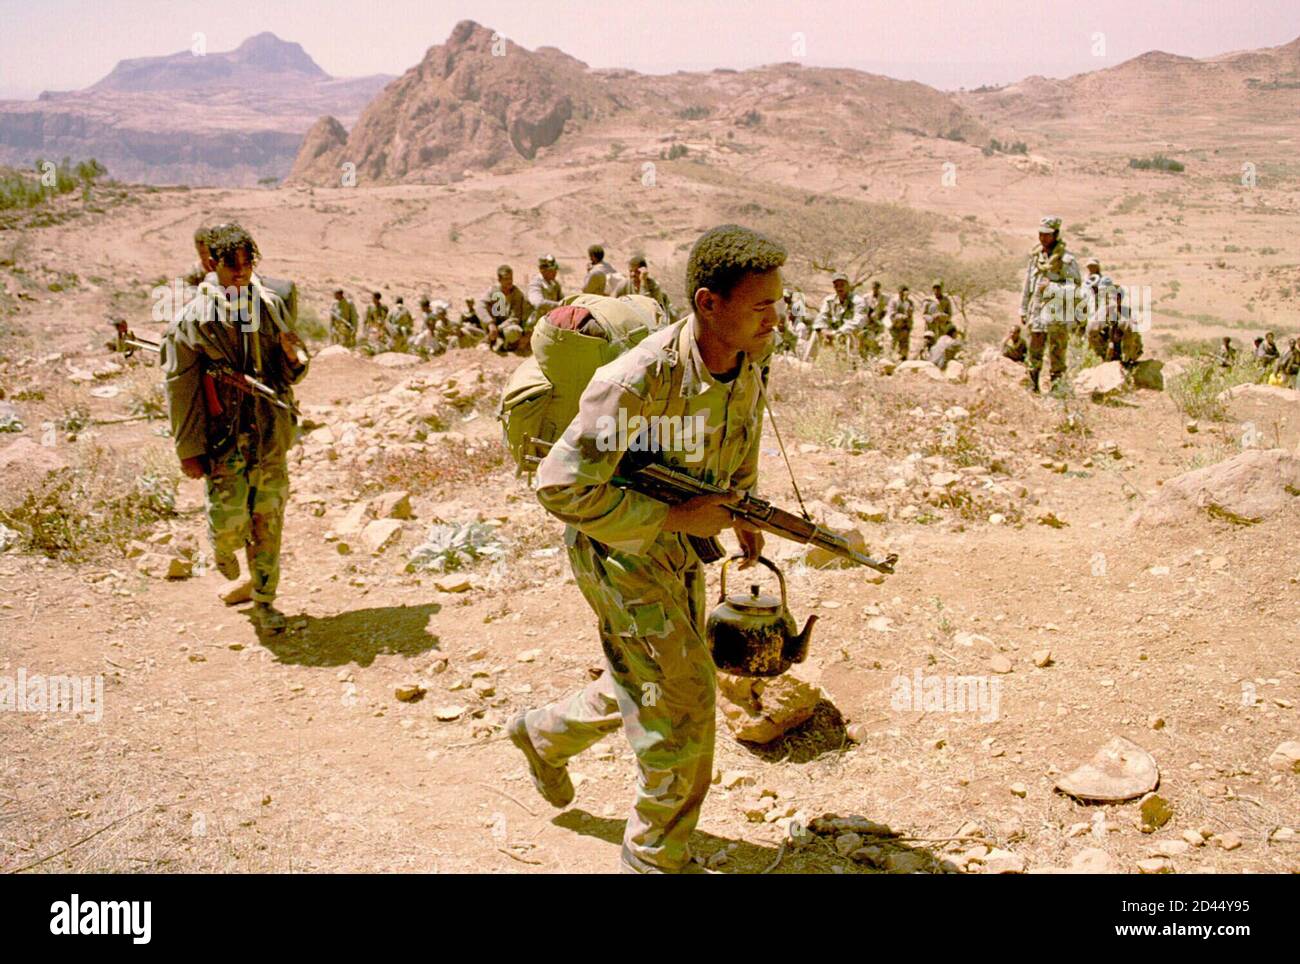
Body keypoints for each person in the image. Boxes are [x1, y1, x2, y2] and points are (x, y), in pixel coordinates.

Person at [510, 223, 783, 874]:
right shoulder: (637, 378)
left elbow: (738, 430)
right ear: (708, 304)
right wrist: (673, 519)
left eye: (779, 302)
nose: (775, 318)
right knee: (684, 704)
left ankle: (543, 733)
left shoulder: (746, 356)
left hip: (679, 544)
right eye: (761, 305)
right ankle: (654, 859)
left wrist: (743, 505)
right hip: (618, 548)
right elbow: (558, 487)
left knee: (648, 680)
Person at [161, 223, 308, 632]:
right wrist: (188, 449)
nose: (241, 272)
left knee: (268, 521)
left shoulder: (272, 305)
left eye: (248, 263)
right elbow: (181, 388)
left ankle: (265, 601)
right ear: (212, 263)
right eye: (231, 264)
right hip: (224, 436)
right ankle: (224, 549)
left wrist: (294, 358)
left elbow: (289, 373)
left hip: (268, 432)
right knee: (229, 524)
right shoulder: (193, 320)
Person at [1019, 215, 1081, 392]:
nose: (1043, 238)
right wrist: (1023, 309)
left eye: (1047, 235)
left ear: (1056, 235)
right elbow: (1027, 286)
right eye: (1040, 234)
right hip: (1037, 312)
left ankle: (1057, 391)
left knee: (1057, 353)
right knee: (1034, 350)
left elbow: (1075, 287)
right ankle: (1033, 388)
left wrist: (1052, 287)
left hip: (1057, 312)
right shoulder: (1036, 258)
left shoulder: (1066, 260)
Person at [477, 265, 530, 354]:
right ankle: (489, 340)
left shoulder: (517, 294)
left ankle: (504, 344)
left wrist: (497, 329)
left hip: (507, 326)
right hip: (492, 324)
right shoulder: (493, 290)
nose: (509, 281)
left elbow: (515, 318)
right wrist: (490, 323)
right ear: (499, 280)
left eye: (510, 278)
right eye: (506, 279)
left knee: (514, 331)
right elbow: (480, 306)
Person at [614, 255, 677, 322]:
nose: (633, 274)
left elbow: (648, 307)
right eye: (631, 271)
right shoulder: (624, 285)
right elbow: (614, 302)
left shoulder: (654, 286)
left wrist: (643, 283)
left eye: (637, 272)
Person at [527, 254, 564, 325]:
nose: (555, 272)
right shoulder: (535, 284)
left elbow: (562, 300)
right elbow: (538, 303)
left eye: (555, 270)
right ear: (543, 271)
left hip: (551, 321)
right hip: (536, 323)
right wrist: (559, 305)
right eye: (551, 270)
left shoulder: (555, 284)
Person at [886, 284, 914, 359]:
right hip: (895, 328)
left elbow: (910, 315)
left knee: (904, 348)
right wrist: (901, 316)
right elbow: (891, 314)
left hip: (904, 328)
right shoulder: (893, 301)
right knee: (891, 346)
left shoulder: (909, 302)